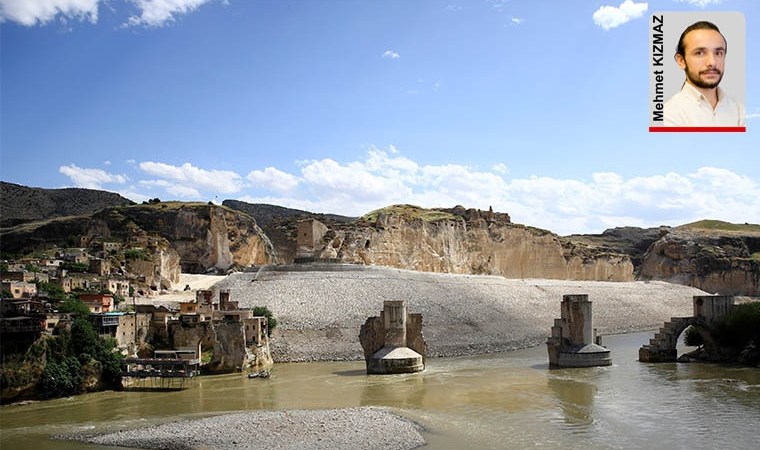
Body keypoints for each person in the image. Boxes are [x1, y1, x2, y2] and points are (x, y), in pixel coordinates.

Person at [664, 21, 745, 127]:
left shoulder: (739, 110)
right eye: (699, 53)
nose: (712, 62)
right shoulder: (668, 115)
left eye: (718, 53)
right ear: (681, 61)